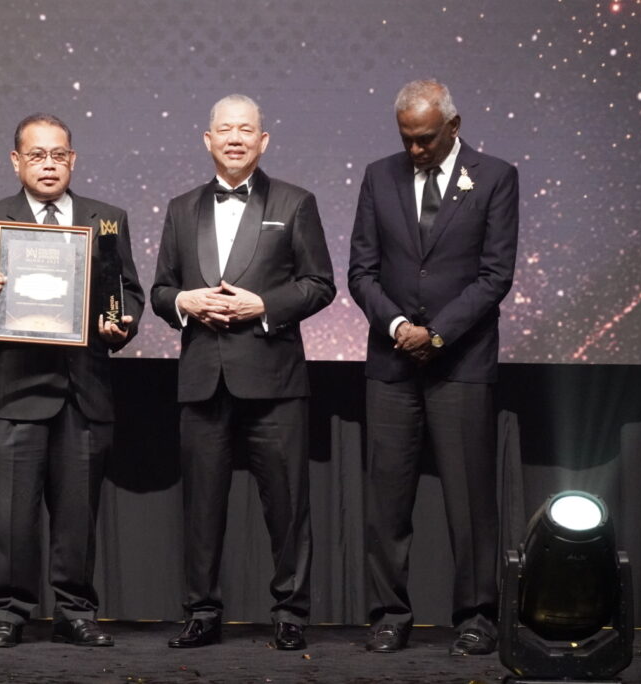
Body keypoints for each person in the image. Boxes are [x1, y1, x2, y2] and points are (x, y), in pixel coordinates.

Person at [0, 113, 144, 648]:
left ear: (72, 160)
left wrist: (120, 324)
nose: (49, 164)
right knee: (10, 516)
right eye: (37, 155)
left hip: (84, 391)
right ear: (17, 161)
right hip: (13, 391)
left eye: (58, 155)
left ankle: (75, 612)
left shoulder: (108, 219)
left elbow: (128, 291)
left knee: (77, 515)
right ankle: (7, 612)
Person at [151, 94, 336, 650]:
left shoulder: (296, 202)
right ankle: (201, 613)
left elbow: (320, 284)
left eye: (246, 129)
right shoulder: (181, 207)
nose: (235, 138)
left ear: (263, 140)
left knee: (288, 507)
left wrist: (265, 306)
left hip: (275, 381)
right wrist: (184, 301)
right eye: (225, 130)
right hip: (203, 379)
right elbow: (160, 290)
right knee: (201, 509)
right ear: (208, 140)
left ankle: (291, 613)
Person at [348, 79, 519, 656]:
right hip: (392, 363)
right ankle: (389, 615)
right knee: (387, 502)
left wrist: (439, 334)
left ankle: (477, 617)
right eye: (407, 139)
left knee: (470, 501)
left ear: (454, 125)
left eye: (425, 139)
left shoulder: (496, 177)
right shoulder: (379, 176)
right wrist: (399, 327)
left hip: (462, 363)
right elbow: (361, 271)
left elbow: (495, 275)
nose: (415, 149)